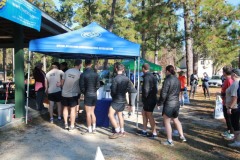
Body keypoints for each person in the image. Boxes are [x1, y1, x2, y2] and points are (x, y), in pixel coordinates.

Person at [157, 65, 186, 146]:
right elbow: (179, 91)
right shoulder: (177, 80)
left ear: (167, 71)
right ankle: (182, 136)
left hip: (169, 103)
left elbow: (163, 94)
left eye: (165, 71)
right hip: (176, 103)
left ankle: (170, 141)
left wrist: (159, 103)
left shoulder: (167, 80)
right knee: (176, 119)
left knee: (167, 122)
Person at [108, 63, 132, 139]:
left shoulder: (115, 79)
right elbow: (129, 89)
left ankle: (117, 130)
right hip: (123, 99)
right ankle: (122, 131)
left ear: (116, 69)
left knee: (110, 115)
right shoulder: (126, 78)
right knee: (120, 115)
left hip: (116, 99)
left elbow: (113, 91)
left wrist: (113, 96)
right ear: (123, 69)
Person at [80, 59, 100, 133]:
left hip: (87, 94)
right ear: (91, 64)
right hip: (94, 95)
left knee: (88, 113)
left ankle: (89, 129)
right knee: (92, 112)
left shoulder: (83, 74)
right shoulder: (96, 74)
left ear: (85, 64)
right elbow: (98, 85)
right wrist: (94, 90)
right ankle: (94, 128)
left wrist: (85, 92)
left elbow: (81, 86)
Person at [138, 63, 158, 138]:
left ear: (143, 68)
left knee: (149, 115)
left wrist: (144, 99)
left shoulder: (146, 77)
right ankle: (144, 130)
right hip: (152, 98)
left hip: (149, 99)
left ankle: (154, 132)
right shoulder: (153, 76)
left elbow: (146, 89)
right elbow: (155, 89)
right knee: (143, 113)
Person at [61, 60, 82, 131]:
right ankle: (72, 125)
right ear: (80, 65)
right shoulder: (79, 73)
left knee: (65, 108)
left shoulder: (67, 71)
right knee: (73, 109)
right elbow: (81, 85)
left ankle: (66, 124)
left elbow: (62, 83)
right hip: (73, 94)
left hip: (64, 93)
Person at [225, 69, 240, 148]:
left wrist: (229, 107)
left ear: (234, 74)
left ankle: (237, 141)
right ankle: (236, 139)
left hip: (234, 108)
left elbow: (235, 97)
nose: (230, 75)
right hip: (235, 107)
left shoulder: (235, 84)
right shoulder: (236, 83)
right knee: (235, 124)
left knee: (235, 125)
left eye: (231, 74)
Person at [220, 66, 234, 140]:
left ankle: (231, 133)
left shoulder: (229, 80)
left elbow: (230, 92)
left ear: (225, 72)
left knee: (229, 118)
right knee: (226, 117)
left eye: (223, 71)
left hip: (227, 102)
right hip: (225, 101)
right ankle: (229, 130)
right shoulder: (227, 79)